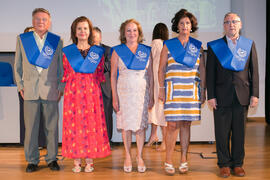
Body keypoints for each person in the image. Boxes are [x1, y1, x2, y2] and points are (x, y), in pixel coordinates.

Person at [206, 12, 259, 178]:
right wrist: (211, 95)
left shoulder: (248, 45)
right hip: (221, 96)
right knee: (221, 133)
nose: (231, 25)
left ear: (240, 25)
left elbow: (254, 72)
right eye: (227, 22)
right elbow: (210, 73)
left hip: (242, 95)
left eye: (234, 22)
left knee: (239, 132)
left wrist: (255, 94)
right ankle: (224, 164)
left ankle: (237, 164)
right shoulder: (215, 46)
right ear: (223, 26)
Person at [14, 8, 64, 172]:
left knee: (52, 127)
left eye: (44, 19)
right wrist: (20, 86)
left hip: (51, 89)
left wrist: (60, 87)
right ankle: (32, 160)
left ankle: (51, 159)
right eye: (37, 19)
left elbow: (61, 68)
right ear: (33, 21)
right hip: (29, 90)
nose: (40, 22)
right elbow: (18, 66)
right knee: (31, 128)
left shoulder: (56, 41)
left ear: (49, 22)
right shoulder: (23, 39)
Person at [158, 9, 206, 175]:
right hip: (173, 90)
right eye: (182, 23)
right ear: (177, 26)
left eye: (188, 23)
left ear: (191, 26)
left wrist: (203, 90)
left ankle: (184, 158)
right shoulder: (168, 45)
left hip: (191, 90)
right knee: (172, 125)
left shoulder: (197, 46)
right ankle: (169, 159)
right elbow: (161, 68)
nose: (185, 26)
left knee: (186, 124)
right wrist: (161, 89)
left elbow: (202, 69)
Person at [61, 16, 111, 173]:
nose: (82, 31)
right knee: (74, 124)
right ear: (74, 32)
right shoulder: (67, 52)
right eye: (79, 28)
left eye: (85, 28)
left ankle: (89, 160)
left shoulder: (97, 52)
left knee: (90, 125)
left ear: (90, 32)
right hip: (73, 93)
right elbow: (66, 73)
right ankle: (76, 160)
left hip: (91, 93)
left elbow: (99, 75)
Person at [111, 19, 154, 173]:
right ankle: (128, 155)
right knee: (126, 127)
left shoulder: (146, 50)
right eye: (128, 30)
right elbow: (113, 77)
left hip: (141, 92)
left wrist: (152, 94)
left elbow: (150, 75)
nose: (132, 33)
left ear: (139, 33)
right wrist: (114, 97)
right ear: (124, 33)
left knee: (140, 127)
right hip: (124, 92)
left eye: (134, 30)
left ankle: (140, 156)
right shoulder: (117, 51)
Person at [19, 26, 46, 149]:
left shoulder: (43, 52)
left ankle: (41, 143)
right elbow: (17, 68)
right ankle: (29, 144)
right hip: (27, 88)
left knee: (42, 118)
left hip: (42, 88)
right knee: (28, 120)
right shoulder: (22, 49)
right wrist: (20, 86)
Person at [146, 23, 169, 151]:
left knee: (159, 111)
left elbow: (154, 64)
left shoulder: (155, 43)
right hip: (161, 80)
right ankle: (153, 136)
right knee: (155, 109)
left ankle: (165, 142)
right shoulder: (164, 44)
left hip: (157, 81)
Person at [92, 27, 113, 145]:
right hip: (91, 87)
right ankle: (94, 140)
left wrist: (95, 62)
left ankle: (107, 140)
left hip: (105, 88)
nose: (94, 39)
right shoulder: (86, 51)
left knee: (106, 115)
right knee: (92, 116)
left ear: (100, 37)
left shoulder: (108, 50)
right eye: (92, 36)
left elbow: (108, 67)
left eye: (95, 36)